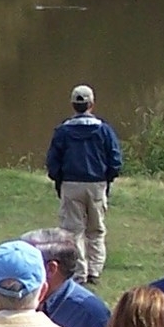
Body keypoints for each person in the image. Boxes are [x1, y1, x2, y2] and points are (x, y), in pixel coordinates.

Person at [44, 85, 122, 284]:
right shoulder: (104, 130)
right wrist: (108, 178)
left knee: (72, 232)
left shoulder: (63, 130)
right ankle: (95, 270)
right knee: (96, 229)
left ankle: (79, 272)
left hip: (70, 184)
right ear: (92, 104)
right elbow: (115, 159)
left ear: (73, 105)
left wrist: (59, 179)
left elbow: (53, 160)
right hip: (96, 184)